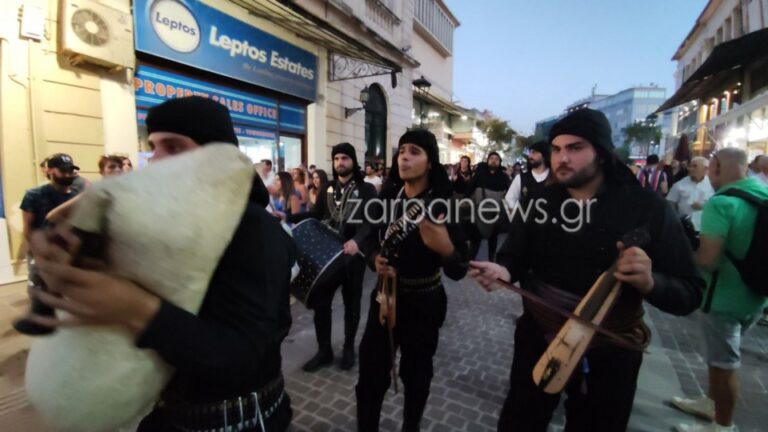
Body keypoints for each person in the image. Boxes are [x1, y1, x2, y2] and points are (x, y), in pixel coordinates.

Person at [25, 96, 292, 431]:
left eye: (174, 148)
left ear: (219, 159)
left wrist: (134, 307)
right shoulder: (164, 224)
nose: (156, 160)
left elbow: (242, 354)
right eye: (153, 147)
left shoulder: (255, 228)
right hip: (170, 415)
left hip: (238, 420)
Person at [470, 109, 704, 432]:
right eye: (556, 149)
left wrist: (652, 282)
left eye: (575, 148)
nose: (561, 158)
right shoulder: (538, 201)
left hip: (611, 353)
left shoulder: (648, 208)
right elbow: (514, 257)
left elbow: (690, 293)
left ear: (602, 153)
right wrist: (504, 271)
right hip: (539, 337)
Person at [356, 129, 468, 431]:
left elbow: (459, 269)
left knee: (417, 377)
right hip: (383, 298)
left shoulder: (444, 206)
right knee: (370, 376)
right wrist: (373, 257)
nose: (404, 156)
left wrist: (445, 248)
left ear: (430, 162)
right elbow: (366, 236)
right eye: (402, 150)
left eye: (415, 151)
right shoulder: (387, 197)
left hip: (424, 301)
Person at [672, 148, 768, 432]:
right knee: (720, 360)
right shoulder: (761, 195)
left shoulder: (722, 203)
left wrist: (686, 250)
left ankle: (722, 425)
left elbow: (708, 260)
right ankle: (710, 402)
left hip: (721, 297)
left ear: (715, 167)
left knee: (724, 365)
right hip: (754, 295)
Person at [301, 143, 377, 372]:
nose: (340, 162)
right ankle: (324, 351)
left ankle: (348, 347)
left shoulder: (367, 190)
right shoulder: (328, 188)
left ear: (353, 161)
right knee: (321, 304)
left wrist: (357, 241)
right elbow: (314, 216)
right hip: (327, 259)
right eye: (336, 159)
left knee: (351, 305)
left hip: (352, 258)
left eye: (345, 158)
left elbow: (371, 222)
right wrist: (286, 216)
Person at [468, 152, 510, 261]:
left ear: (500, 162)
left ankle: (491, 260)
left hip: (494, 211)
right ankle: (470, 260)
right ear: (488, 160)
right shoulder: (480, 174)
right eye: (491, 158)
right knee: (476, 237)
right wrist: (465, 199)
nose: (494, 160)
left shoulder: (504, 176)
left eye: (496, 159)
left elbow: (510, 192)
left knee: (493, 237)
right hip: (479, 210)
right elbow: (471, 187)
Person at [666, 156, 715, 232]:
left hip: (705, 227)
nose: (690, 169)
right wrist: (675, 219)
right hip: (683, 226)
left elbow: (718, 204)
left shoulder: (713, 184)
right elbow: (670, 202)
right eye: (690, 166)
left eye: (695, 166)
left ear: (705, 169)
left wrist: (704, 207)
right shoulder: (680, 184)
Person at [505, 141, 553, 210]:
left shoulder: (555, 178)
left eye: (534, 152)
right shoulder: (520, 178)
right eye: (530, 152)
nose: (530, 156)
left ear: (544, 156)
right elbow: (509, 201)